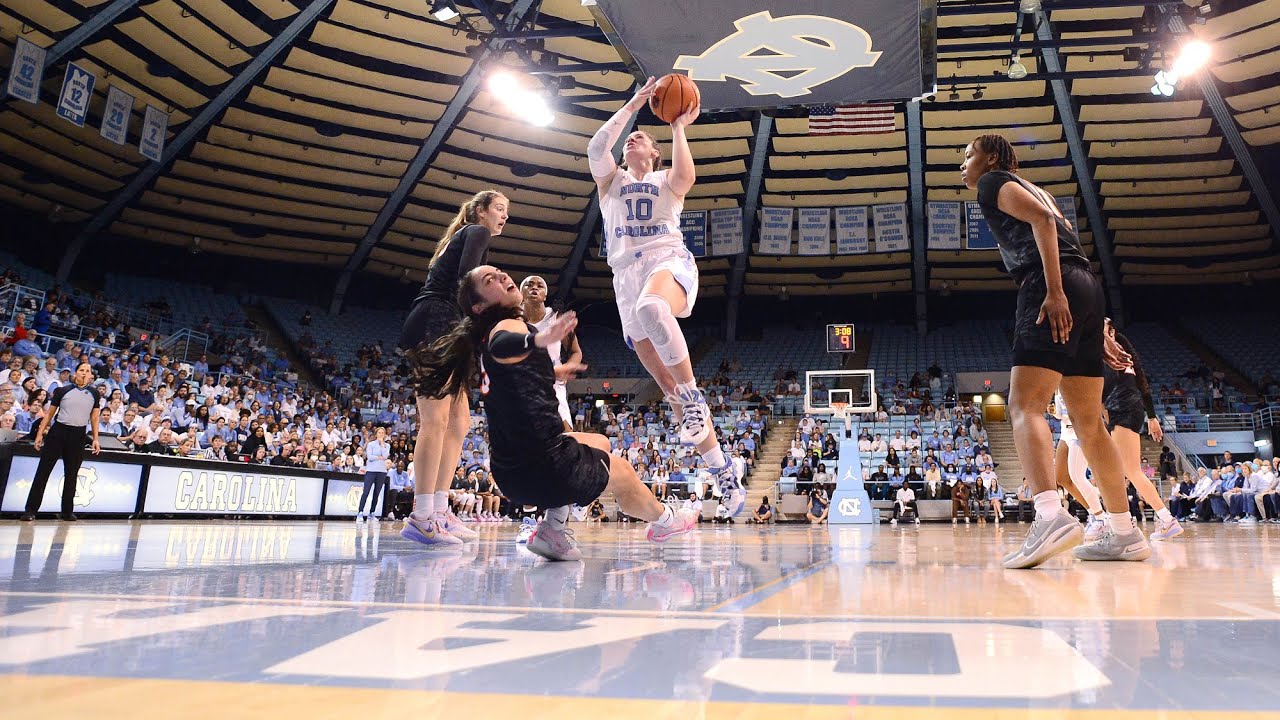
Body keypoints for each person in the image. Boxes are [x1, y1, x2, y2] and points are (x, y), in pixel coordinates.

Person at [410, 265, 698, 561]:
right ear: (479, 306)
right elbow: (504, 345)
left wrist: (554, 369)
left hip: (511, 471)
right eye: (490, 280)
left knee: (600, 443)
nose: (503, 277)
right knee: (622, 471)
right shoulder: (507, 328)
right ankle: (667, 520)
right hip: (544, 468)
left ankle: (551, 531)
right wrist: (537, 341)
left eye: (499, 272)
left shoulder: (484, 337)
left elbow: (515, 372)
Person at [964, 133, 1147, 568]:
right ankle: (1125, 532)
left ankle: (1049, 515)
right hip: (1087, 289)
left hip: (1051, 284)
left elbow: (1044, 224)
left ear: (991, 158)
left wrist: (1055, 291)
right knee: (1089, 423)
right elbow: (1070, 245)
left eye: (968, 155)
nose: (963, 165)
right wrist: (1095, 323)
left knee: (1024, 405)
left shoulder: (994, 182)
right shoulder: (1037, 188)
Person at [587, 77, 744, 516]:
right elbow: (595, 149)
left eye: (641, 137)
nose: (632, 139)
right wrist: (634, 105)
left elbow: (686, 176)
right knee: (669, 394)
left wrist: (677, 127)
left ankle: (695, 396)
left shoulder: (662, 179)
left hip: (666, 261)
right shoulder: (610, 182)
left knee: (654, 308)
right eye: (629, 139)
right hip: (625, 277)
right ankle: (724, 475)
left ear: (653, 152)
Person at [398, 190, 508, 546]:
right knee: (436, 421)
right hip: (435, 320)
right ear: (480, 211)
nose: (505, 216)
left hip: (450, 326)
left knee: (459, 422)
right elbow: (468, 281)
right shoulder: (477, 232)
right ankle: (421, 515)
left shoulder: (471, 236)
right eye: (500, 209)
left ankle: (441, 508)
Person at [1102, 320, 1184, 540]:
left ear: (1112, 332)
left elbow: (1110, 389)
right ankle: (1121, 522)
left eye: (1102, 325)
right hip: (1129, 408)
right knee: (1122, 470)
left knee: (1131, 471)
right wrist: (1152, 417)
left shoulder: (1112, 354)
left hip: (1123, 409)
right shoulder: (1121, 355)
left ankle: (1165, 519)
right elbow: (1143, 387)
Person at [20, 362, 102, 521]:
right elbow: (49, 415)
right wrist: (39, 435)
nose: (84, 373)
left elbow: (94, 417)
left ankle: (66, 511)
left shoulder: (94, 394)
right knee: (43, 472)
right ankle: (30, 510)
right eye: (81, 370)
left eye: (87, 371)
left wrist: (96, 439)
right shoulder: (63, 390)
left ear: (91, 375)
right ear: (76, 372)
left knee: (72, 475)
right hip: (58, 432)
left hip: (78, 435)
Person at [356, 426, 391, 522]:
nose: (381, 435)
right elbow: (370, 457)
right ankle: (360, 512)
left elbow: (385, 456)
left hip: (382, 471)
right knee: (366, 491)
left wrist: (382, 445)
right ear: (376, 434)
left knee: (377, 493)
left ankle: (372, 513)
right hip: (371, 470)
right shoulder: (371, 444)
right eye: (379, 433)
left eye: (383, 433)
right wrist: (378, 457)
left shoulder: (387, 446)